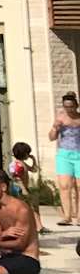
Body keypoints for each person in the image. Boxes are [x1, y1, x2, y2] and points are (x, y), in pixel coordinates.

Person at [52, 93, 80, 226]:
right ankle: (67, 217)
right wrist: (55, 128)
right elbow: (51, 137)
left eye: (71, 106)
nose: (69, 109)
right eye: (66, 107)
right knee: (64, 186)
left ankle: (79, 217)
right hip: (64, 155)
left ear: (76, 106)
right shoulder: (60, 119)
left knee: (79, 186)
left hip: (79, 154)